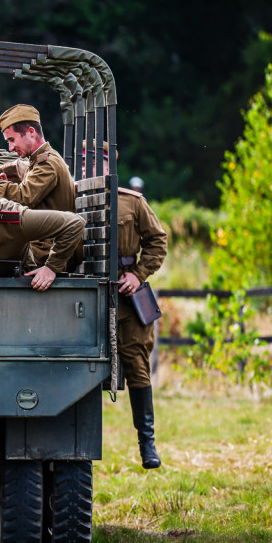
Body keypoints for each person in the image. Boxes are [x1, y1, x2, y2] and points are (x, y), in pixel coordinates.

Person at [0, 105, 77, 265]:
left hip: (46, 251)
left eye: (12, 140)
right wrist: (1, 184)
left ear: (31, 132)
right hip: (43, 245)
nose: (10, 148)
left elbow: (24, 198)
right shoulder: (40, 161)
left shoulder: (47, 163)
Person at [117, 183, 168, 469]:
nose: (87, 169)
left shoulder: (132, 202)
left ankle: (147, 443)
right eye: (83, 163)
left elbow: (158, 241)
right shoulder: (71, 196)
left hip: (125, 292)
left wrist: (138, 274)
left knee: (137, 364)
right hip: (85, 292)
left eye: (94, 162)